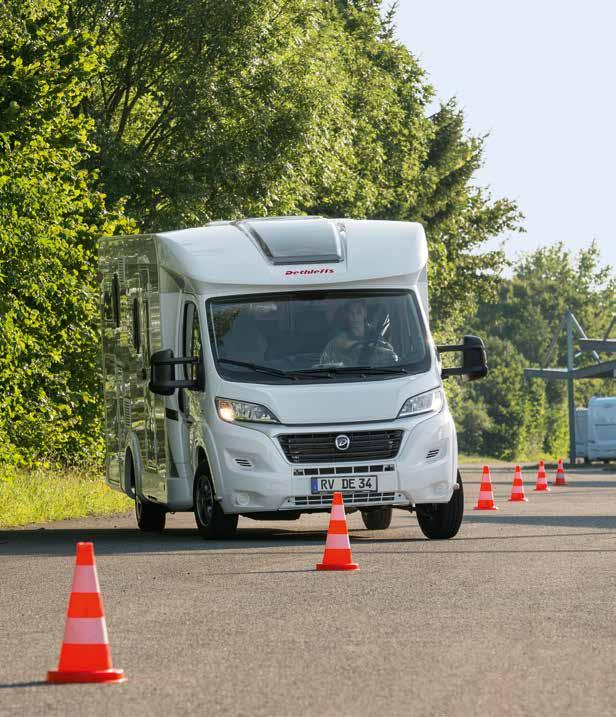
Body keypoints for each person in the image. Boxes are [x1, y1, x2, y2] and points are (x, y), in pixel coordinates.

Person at [319, 299, 397, 366]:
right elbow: (326, 365)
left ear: (365, 313)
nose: (355, 316)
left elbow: (389, 357)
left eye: (358, 312)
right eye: (351, 313)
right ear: (347, 315)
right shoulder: (336, 343)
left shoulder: (377, 338)